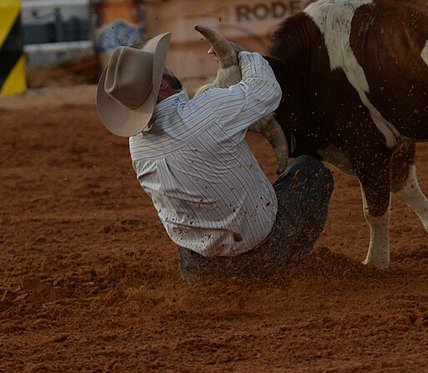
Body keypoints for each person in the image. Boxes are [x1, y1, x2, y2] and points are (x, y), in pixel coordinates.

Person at [96, 32, 333, 283]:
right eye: (161, 68)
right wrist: (244, 56)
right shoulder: (210, 111)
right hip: (263, 251)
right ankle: (286, 267)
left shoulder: (137, 145)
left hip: (199, 269)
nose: (167, 66)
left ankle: (226, 278)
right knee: (311, 171)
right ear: (163, 85)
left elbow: (194, 120)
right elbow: (265, 90)